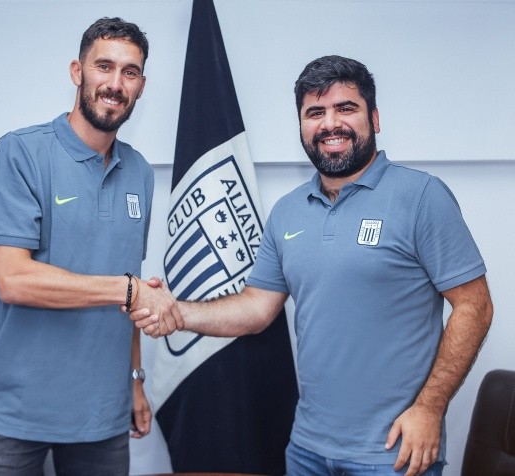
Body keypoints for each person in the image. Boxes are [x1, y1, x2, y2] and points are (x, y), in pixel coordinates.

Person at [130, 55, 493, 475]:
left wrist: (430, 407)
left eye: (346, 108)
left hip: (392, 454)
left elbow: (475, 306)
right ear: (301, 125)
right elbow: (256, 307)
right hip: (307, 450)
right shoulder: (287, 212)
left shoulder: (422, 197)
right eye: (315, 112)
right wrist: (178, 313)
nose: (330, 124)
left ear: (374, 118)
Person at [0, 17, 182, 475]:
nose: (115, 84)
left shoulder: (140, 172)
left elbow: (131, 290)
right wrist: (128, 289)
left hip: (102, 416)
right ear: (77, 71)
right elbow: (13, 280)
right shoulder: (21, 152)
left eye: (130, 72)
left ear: (141, 86)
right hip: (13, 415)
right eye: (104, 66)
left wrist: (135, 381)